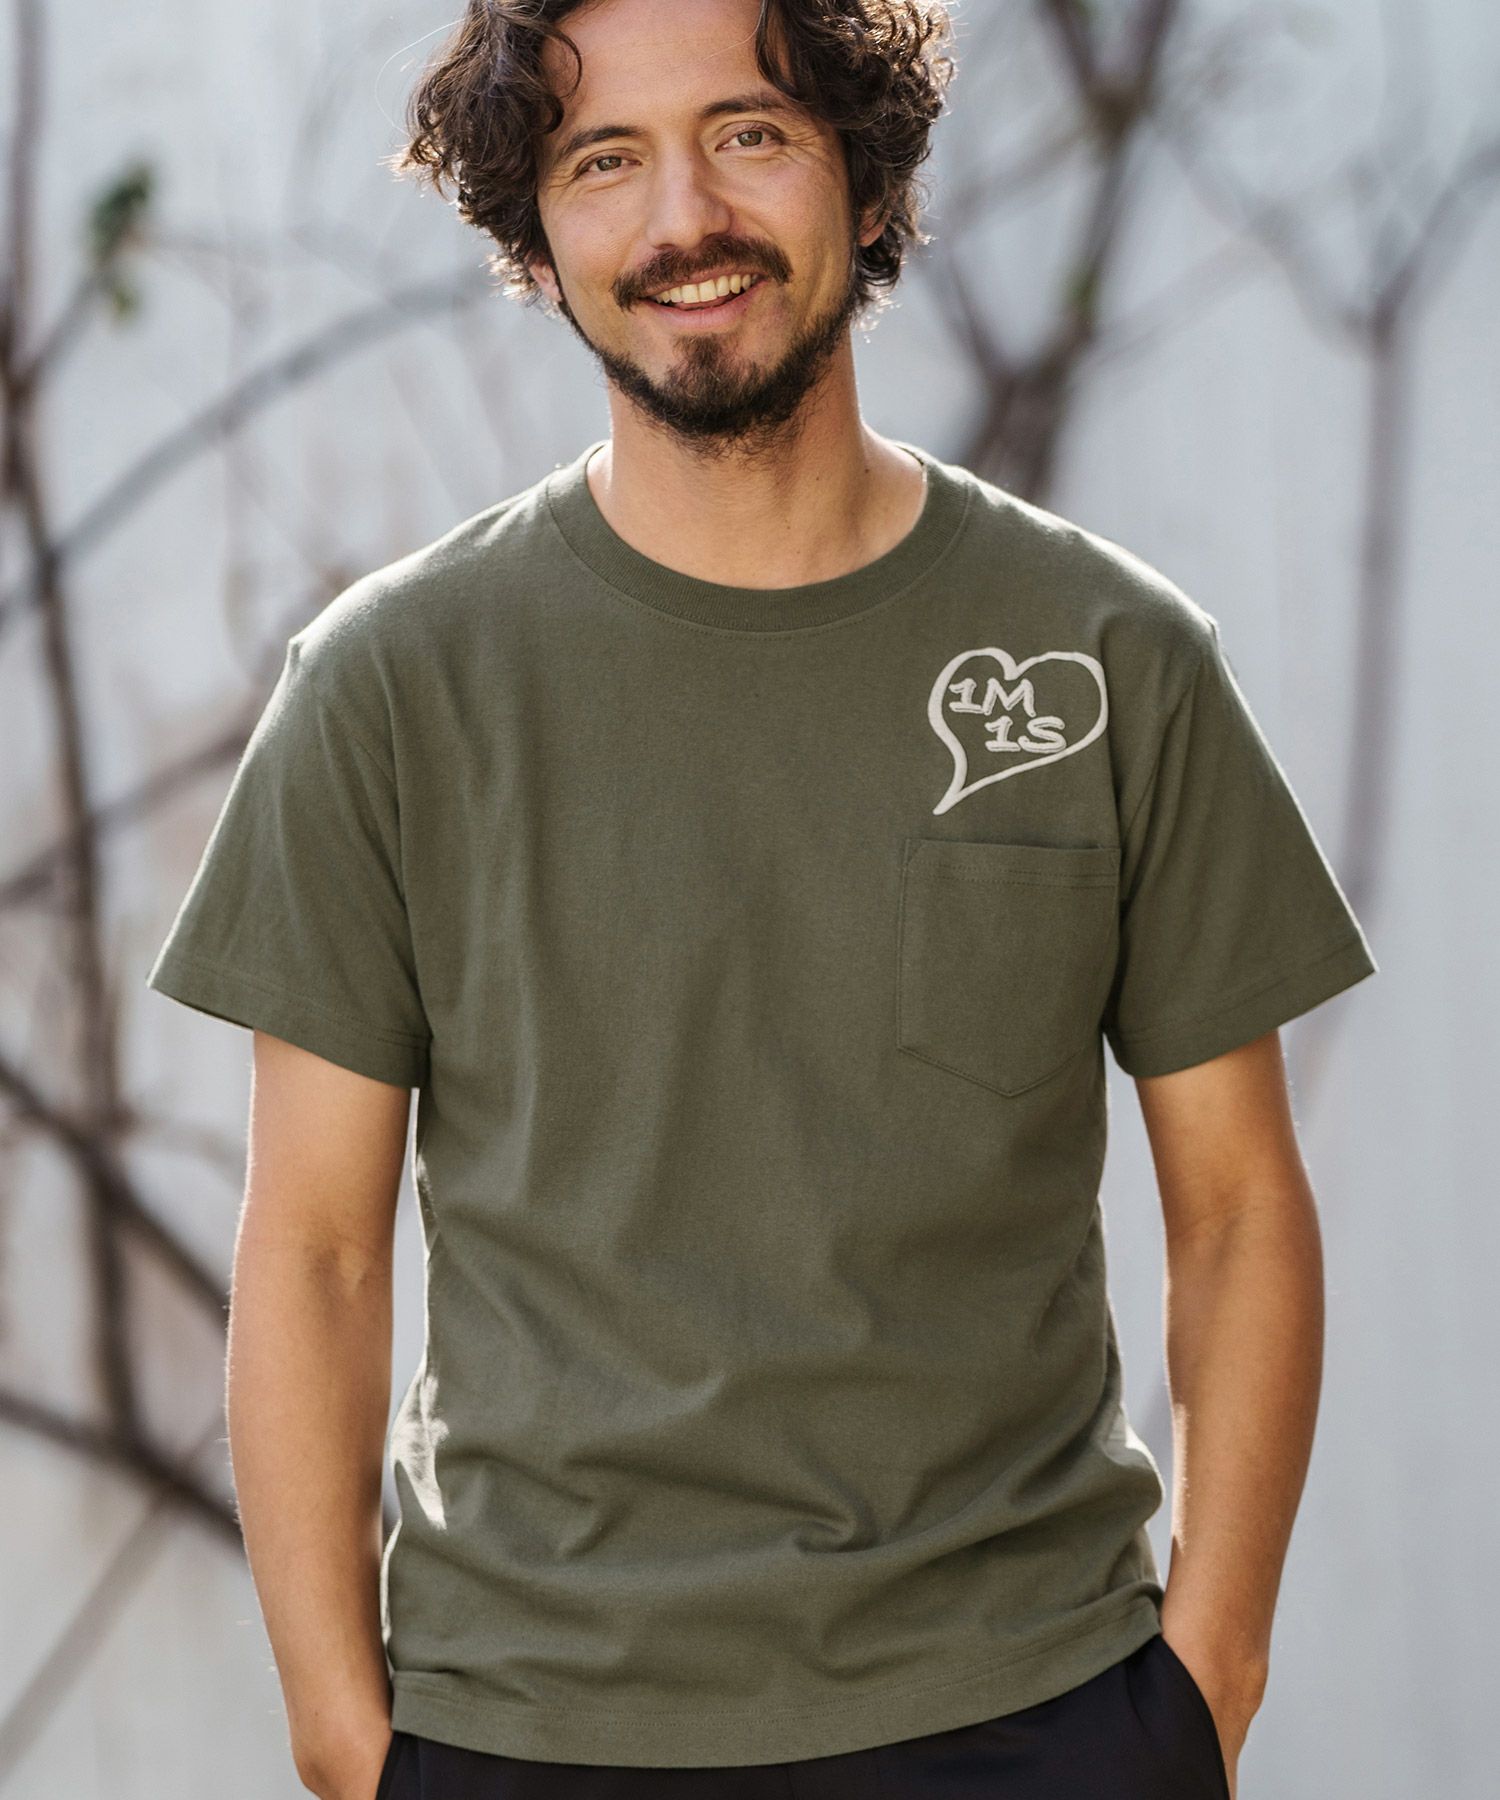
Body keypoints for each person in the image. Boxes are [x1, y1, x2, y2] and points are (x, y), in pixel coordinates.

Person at [145, 2, 1378, 1796]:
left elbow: (1244, 1207)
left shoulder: (1110, 656)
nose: (684, 221)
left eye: (750, 133)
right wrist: (348, 1742)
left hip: (1031, 1711)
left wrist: (1208, 1682)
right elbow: (316, 1253)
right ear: (535, 236)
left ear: (865, 182)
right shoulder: (391, 690)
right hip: (529, 1727)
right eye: (604, 161)